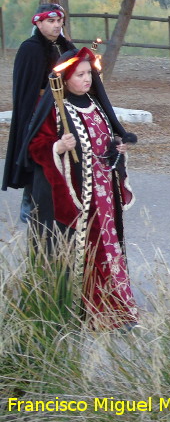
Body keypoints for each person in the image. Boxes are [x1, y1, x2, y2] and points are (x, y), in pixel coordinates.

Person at [22, 47, 139, 330]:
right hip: (75, 194)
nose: (87, 79)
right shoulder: (54, 108)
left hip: (103, 192)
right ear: (66, 78)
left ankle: (115, 307)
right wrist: (58, 146)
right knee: (82, 250)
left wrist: (117, 147)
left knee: (107, 247)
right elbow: (34, 147)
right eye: (80, 75)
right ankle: (80, 310)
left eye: (89, 74)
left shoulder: (95, 103)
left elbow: (105, 139)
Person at [2, 4, 75, 223]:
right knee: (39, 154)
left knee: (67, 154)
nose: (55, 25)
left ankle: (65, 202)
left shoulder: (66, 47)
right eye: (50, 21)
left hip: (65, 108)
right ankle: (29, 201)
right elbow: (25, 86)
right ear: (38, 23)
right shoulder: (30, 48)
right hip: (38, 110)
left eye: (58, 21)